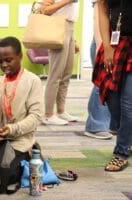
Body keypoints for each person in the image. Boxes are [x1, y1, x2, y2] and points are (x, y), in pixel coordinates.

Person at [0, 36, 43, 189]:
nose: (4, 65)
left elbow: (36, 118)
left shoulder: (32, 81)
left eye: (9, 60)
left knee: (3, 175)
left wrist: (12, 129)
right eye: (0, 61)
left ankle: (26, 162)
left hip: (21, 143)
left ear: (20, 56)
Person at [93, 0, 132, 171]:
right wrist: (107, 46)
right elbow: (103, 10)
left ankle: (121, 153)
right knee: (111, 98)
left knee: (128, 103)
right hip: (115, 43)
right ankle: (127, 137)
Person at [40, 0, 80, 125]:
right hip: (58, 27)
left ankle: (61, 111)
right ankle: (48, 114)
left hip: (70, 27)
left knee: (66, 74)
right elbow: (45, 10)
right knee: (55, 75)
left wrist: (74, 39)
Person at [84, 0, 113, 140]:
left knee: (115, 86)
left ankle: (110, 124)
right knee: (102, 83)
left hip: (117, 42)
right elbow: (98, 16)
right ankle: (96, 125)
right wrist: (102, 47)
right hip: (103, 42)